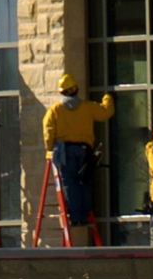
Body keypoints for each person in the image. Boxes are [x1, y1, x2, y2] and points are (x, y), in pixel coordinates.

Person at [42, 73, 114, 239]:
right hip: (84, 150)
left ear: (62, 92)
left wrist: (50, 148)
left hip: (65, 151)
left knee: (70, 184)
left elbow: (48, 130)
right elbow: (106, 112)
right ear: (76, 90)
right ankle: (84, 215)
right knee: (85, 183)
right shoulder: (87, 107)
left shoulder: (55, 110)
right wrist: (107, 96)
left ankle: (76, 218)